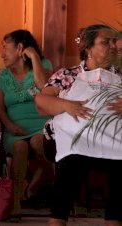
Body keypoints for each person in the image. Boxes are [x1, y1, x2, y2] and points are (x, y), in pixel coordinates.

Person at [35, 24, 122, 226]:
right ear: (88, 48)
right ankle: (57, 221)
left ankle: (114, 221)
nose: (112, 46)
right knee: (70, 163)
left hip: (112, 144)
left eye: (113, 42)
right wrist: (66, 104)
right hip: (73, 143)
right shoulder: (68, 75)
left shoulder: (120, 77)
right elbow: (41, 103)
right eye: (105, 42)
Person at [0, 29, 53, 222]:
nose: (1, 54)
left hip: (41, 126)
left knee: (38, 143)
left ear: (19, 48)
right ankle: (16, 202)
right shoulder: (2, 75)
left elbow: (46, 88)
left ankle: (36, 185)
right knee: (19, 147)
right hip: (14, 129)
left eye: (5, 48)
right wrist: (9, 125)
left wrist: (34, 57)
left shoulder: (44, 65)